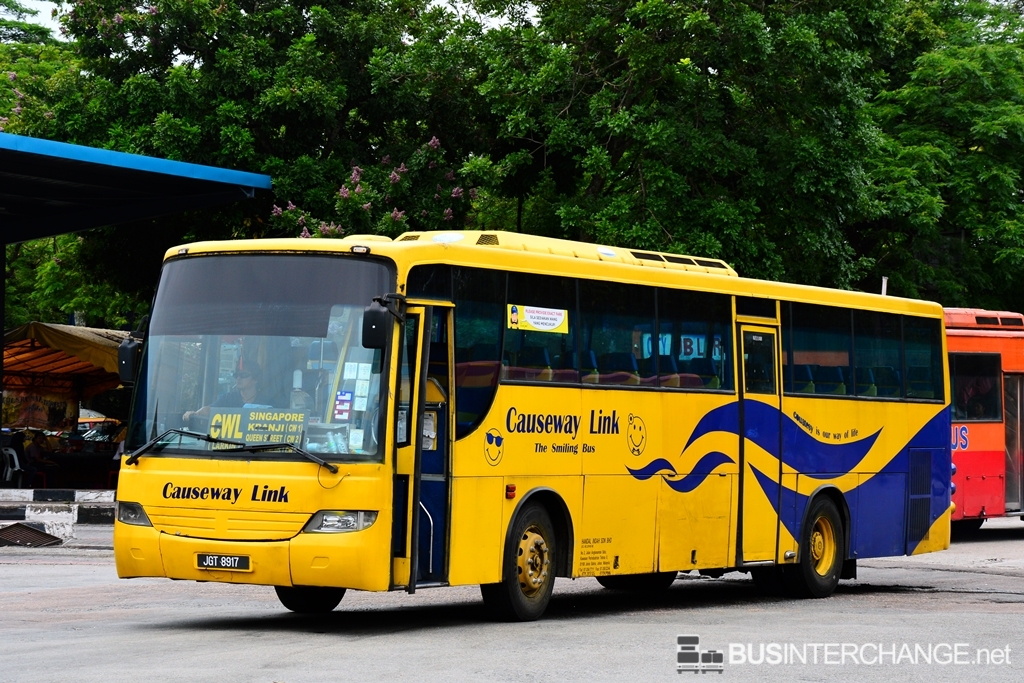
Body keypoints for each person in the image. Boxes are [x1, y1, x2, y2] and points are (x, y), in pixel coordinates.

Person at [183, 361, 274, 423]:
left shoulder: (267, 402)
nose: (238, 378)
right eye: (236, 375)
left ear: (255, 379)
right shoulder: (228, 398)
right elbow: (210, 409)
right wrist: (196, 413)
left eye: (243, 375)